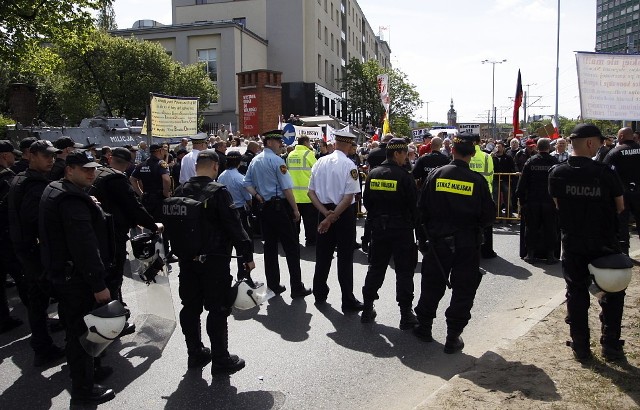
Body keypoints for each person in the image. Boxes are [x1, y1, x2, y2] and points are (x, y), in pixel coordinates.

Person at [39, 150, 116, 405]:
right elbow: (84, 246)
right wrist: (98, 284)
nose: (91, 173)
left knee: (78, 329)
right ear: (69, 170)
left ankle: (90, 371)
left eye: (93, 169)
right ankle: (84, 387)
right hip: (78, 279)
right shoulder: (71, 200)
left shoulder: (57, 189)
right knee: (82, 333)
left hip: (64, 274)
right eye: (85, 170)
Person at [549, 123, 626, 362]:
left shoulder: (557, 172)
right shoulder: (605, 173)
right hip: (604, 242)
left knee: (576, 292)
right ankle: (611, 345)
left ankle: (581, 347)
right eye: (600, 142)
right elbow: (620, 206)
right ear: (591, 143)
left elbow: (558, 205)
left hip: (573, 241)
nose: (602, 145)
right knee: (612, 291)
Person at [174, 149, 254, 373]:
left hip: (187, 261)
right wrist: (247, 256)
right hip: (214, 261)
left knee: (190, 307)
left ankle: (195, 353)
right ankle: (220, 359)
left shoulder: (180, 190)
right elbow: (234, 226)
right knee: (217, 309)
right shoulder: (218, 192)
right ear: (215, 167)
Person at [413, 134, 495, 353]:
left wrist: (423, 238)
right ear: (473, 153)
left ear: (453, 150)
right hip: (467, 244)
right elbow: (488, 217)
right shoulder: (477, 181)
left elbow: (421, 209)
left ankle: (424, 327)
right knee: (464, 289)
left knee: (432, 284)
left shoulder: (436, 175)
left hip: (438, 241)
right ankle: (453, 336)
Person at [89, 147, 162, 329]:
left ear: (110, 157)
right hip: (113, 235)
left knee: (107, 275)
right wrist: (153, 225)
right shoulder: (116, 178)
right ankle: (115, 322)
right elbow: (133, 205)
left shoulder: (98, 173)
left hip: (98, 233)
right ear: (129, 164)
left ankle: (115, 310)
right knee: (113, 277)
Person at [8, 140, 66, 366]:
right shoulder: (33, 184)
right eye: (45, 156)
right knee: (53, 299)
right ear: (31, 155)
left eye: (52, 156)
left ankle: (42, 345)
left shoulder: (20, 179)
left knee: (37, 302)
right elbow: (37, 221)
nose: (50, 160)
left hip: (26, 250)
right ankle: (44, 347)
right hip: (36, 253)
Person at [243, 130, 311, 298]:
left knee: (270, 247)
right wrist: (295, 209)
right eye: (278, 141)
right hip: (279, 208)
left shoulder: (255, 160)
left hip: (264, 208)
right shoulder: (277, 160)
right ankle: (296, 287)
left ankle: (274, 284)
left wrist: (257, 196)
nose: (281, 144)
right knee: (291, 247)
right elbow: (287, 188)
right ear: (270, 142)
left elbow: (246, 183)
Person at [360, 138, 419, 328]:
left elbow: (367, 202)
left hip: (379, 229)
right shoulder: (404, 176)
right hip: (401, 230)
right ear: (397, 154)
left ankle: (367, 308)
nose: (406, 158)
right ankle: (405, 314)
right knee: (404, 272)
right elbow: (414, 206)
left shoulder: (373, 174)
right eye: (405, 154)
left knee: (376, 269)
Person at [307, 130, 363, 312]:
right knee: (345, 259)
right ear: (349, 144)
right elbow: (348, 198)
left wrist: (326, 215)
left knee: (322, 256)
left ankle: (319, 292)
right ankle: (347, 299)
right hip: (343, 214)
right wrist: (332, 217)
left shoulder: (319, 162)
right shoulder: (349, 165)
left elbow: (311, 193)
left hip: (324, 211)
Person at [515, 138, 559, 264]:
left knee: (531, 227)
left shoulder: (530, 161)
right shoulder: (554, 161)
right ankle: (550, 255)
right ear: (549, 148)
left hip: (532, 200)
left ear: (537, 148)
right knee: (550, 228)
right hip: (549, 201)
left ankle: (530, 254)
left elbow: (522, 182)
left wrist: (521, 199)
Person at [0, 140, 27, 333]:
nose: (13, 158)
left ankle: (3, 319)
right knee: (24, 277)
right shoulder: (6, 178)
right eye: (11, 154)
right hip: (7, 238)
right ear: (4, 155)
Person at [130, 143, 175, 261]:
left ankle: (150, 250)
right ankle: (164, 253)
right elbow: (166, 179)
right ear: (160, 151)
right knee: (163, 226)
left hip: (147, 198)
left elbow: (132, 179)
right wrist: (166, 193)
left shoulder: (142, 164)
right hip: (159, 199)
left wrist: (140, 193)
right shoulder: (161, 164)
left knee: (149, 224)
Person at [217, 150, 255, 282]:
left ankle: (225, 277)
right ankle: (244, 277)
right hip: (239, 213)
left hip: (224, 214)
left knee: (226, 248)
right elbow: (248, 199)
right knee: (243, 247)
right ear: (239, 162)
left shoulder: (221, 176)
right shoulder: (240, 178)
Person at [603, 126, 640, 255]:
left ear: (622, 136)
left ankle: (624, 252)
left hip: (622, 193)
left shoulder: (616, 151)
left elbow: (605, 171)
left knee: (622, 223)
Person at [286, 136, 319, 247]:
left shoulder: (290, 155)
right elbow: (317, 170)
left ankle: (294, 241)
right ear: (306, 142)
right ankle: (311, 241)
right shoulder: (308, 154)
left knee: (295, 221)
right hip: (307, 195)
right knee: (310, 222)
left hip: (293, 196)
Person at [469, 134, 497, 259]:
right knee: (486, 223)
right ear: (480, 143)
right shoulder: (486, 156)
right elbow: (491, 175)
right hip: (485, 193)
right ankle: (487, 250)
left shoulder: (466, 156)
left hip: (469, 193)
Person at [491, 140, 516, 214]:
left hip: (506, 180)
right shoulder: (492, 157)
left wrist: (512, 177)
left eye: (499, 147)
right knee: (496, 199)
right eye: (497, 147)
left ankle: (509, 215)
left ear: (503, 148)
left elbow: (512, 168)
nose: (498, 148)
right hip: (496, 180)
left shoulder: (508, 157)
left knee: (507, 199)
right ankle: (497, 215)